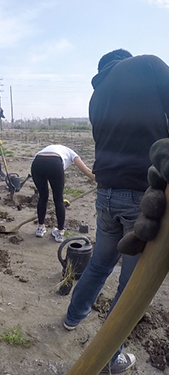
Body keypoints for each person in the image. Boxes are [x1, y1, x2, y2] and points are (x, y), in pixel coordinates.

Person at [63, 49, 169, 374]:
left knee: (100, 262)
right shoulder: (148, 66)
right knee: (132, 281)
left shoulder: (96, 95)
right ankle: (112, 355)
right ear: (125, 59)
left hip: (106, 193)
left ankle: (72, 316)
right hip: (141, 195)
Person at [31, 145, 95, 242]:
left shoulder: (50, 149)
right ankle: (60, 233)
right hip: (54, 163)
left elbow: (38, 158)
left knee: (43, 196)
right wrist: (100, 181)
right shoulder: (73, 154)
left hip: (37, 162)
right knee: (58, 199)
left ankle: (40, 228)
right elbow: (87, 171)